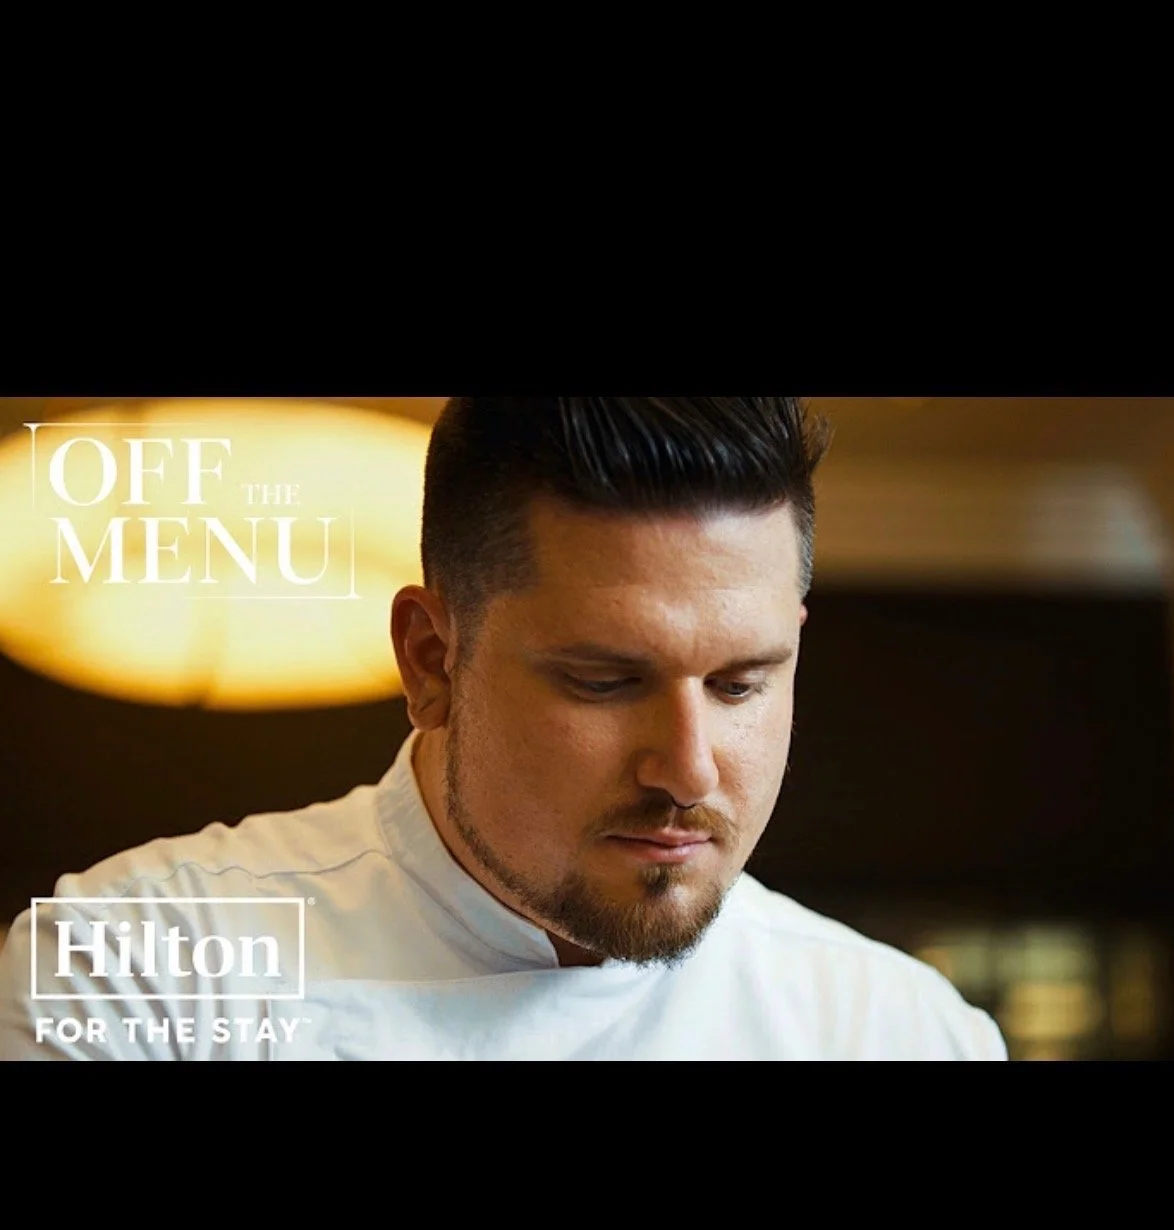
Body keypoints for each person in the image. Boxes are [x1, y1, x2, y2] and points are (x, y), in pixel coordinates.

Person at [0, 397, 1007, 1061]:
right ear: (433, 660)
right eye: (605, 679)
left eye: (742, 683)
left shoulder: (899, 1029)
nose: (689, 767)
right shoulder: (135, 967)